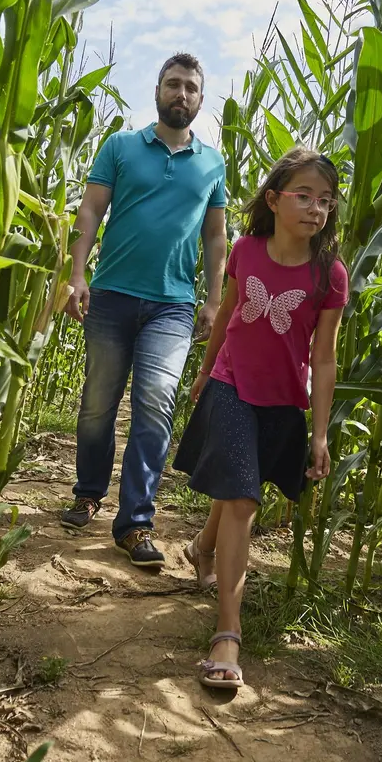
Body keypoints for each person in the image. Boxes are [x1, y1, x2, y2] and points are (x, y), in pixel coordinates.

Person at [172, 148, 347, 688]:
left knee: (235, 490)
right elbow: (226, 314)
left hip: (282, 399)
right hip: (230, 385)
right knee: (244, 498)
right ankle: (228, 632)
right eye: (303, 196)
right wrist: (204, 372)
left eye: (325, 200)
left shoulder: (329, 274)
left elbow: (323, 356)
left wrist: (319, 433)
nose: (315, 208)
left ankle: (203, 547)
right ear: (273, 200)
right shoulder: (246, 250)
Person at [60, 54, 227, 569]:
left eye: (191, 88)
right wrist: (77, 273)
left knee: (155, 402)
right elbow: (90, 210)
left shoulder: (212, 162)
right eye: (173, 85)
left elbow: (216, 235)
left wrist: (215, 299)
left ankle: (135, 522)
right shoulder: (121, 147)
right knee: (97, 405)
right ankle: (88, 492)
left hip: (173, 305)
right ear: (157, 90)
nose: (182, 94)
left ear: (200, 100)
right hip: (110, 294)